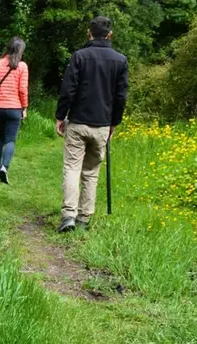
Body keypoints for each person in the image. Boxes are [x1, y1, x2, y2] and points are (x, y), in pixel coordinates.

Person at [55, 16, 128, 232]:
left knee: (72, 167)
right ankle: (84, 218)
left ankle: (68, 215)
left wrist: (60, 116)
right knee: (91, 171)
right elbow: (121, 96)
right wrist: (114, 122)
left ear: (89, 33)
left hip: (78, 122)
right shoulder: (121, 60)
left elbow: (68, 89)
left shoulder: (79, 56)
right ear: (110, 35)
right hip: (102, 124)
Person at [0, 37, 29, 185]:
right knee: (10, 140)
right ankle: (4, 167)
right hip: (14, 108)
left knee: (0, 138)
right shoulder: (22, 66)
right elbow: (22, 89)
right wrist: (24, 107)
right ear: (20, 50)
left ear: (8, 47)